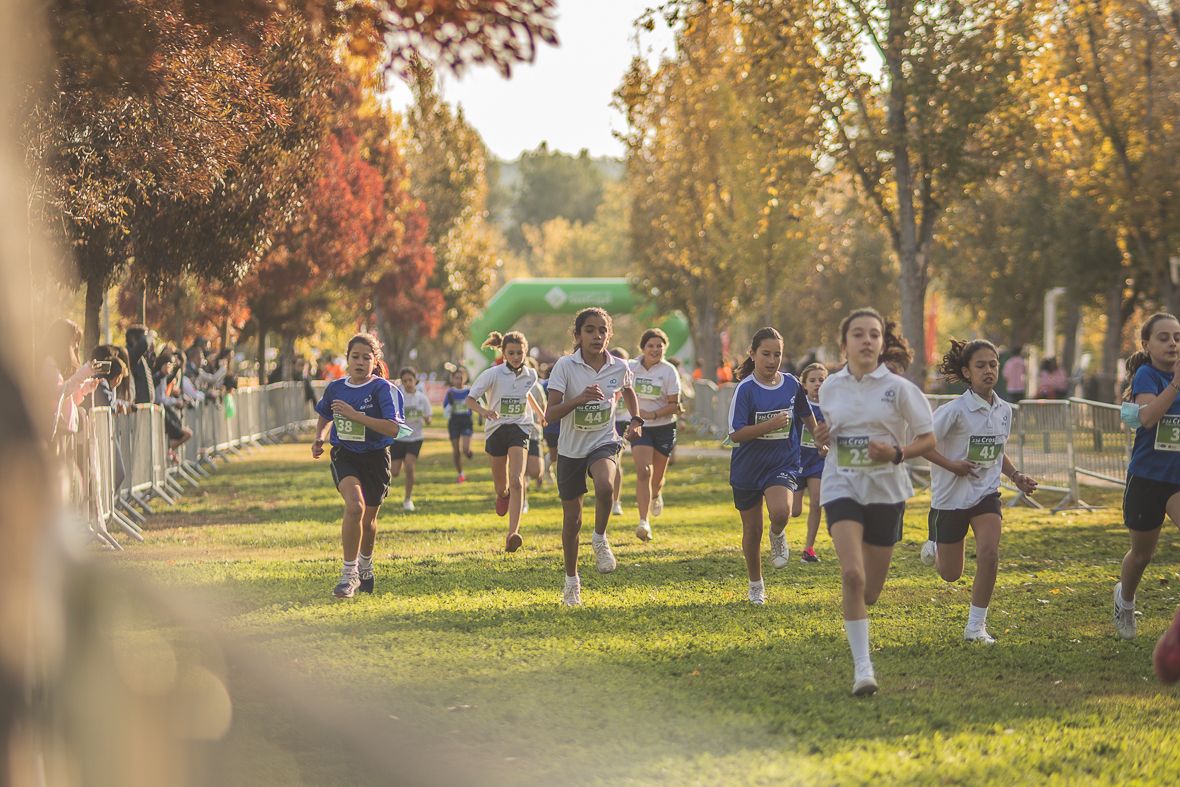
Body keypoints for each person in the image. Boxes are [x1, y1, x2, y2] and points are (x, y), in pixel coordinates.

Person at [818, 308, 934, 696]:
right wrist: (822, 435)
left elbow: (927, 439)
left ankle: (858, 618)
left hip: (885, 490)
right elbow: (830, 435)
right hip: (841, 484)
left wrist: (897, 452)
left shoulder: (899, 389)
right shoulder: (830, 386)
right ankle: (862, 668)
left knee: (868, 591)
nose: (866, 340)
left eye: (873, 334)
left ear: (883, 343)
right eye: (858, 334)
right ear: (844, 343)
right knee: (852, 575)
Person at [918, 339, 1038, 644]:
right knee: (950, 574)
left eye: (993, 364)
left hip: (985, 494)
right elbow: (923, 446)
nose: (989, 370)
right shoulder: (954, 411)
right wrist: (952, 464)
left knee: (989, 553)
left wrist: (1016, 475)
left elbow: (997, 450)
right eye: (981, 365)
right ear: (967, 373)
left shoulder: (1005, 410)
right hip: (950, 498)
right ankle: (934, 538)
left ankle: (975, 627)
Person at [545, 308, 641, 605]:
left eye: (602, 330)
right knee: (572, 520)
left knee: (606, 486)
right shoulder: (564, 366)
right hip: (571, 449)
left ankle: (599, 538)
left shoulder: (619, 365)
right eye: (590, 330)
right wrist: (580, 399)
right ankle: (572, 581)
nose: (597, 336)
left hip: (604, 440)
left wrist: (636, 419)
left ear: (608, 335)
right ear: (577, 336)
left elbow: (627, 391)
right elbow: (550, 414)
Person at [727, 328, 822, 604]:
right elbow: (736, 433)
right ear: (753, 354)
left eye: (777, 354)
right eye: (766, 354)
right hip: (748, 466)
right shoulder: (745, 389)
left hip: (782, 462)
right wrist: (769, 425)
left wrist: (818, 438)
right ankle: (756, 584)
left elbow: (805, 413)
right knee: (752, 531)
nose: (772, 360)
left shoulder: (792, 383)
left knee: (782, 511)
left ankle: (778, 533)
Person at [311, 333, 403, 599]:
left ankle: (365, 564)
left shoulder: (381, 389)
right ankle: (348, 574)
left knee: (369, 519)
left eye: (366, 357)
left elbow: (393, 428)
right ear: (347, 359)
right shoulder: (336, 388)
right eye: (355, 357)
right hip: (345, 453)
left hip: (375, 456)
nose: (360, 362)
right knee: (355, 506)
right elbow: (325, 414)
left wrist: (356, 416)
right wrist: (319, 437)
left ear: (375, 361)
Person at [1112, 313, 1180, 639]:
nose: (1172, 343)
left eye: (1177, 337)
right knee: (1142, 555)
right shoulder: (1147, 376)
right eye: (1164, 337)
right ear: (1147, 345)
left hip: (1177, 480)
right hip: (1147, 477)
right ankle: (1124, 600)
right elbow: (1149, 417)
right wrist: (1177, 383)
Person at [465, 332, 543, 553]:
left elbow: (526, 395)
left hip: (520, 428)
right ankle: (502, 495)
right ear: (504, 353)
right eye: (511, 353)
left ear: (525, 352)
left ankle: (513, 533)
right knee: (503, 485)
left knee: (517, 479)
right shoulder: (493, 374)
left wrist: (540, 413)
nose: (516, 357)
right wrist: (484, 410)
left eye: (520, 353)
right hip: (496, 429)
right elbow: (470, 399)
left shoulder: (531, 375)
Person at [628, 328, 682, 542]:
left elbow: (675, 405)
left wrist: (654, 413)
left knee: (656, 479)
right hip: (640, 427)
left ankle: (656, 494)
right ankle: (644, 521)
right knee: (643, 471)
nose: (655, 349)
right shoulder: (631, 367)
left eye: (659, 345)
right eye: (651, 345)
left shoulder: (669, 371)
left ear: (665, 348)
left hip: (664, 427)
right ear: (642, 348)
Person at [793, 362, 829, 563]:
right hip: (797, 461)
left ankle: (809, 548)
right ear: (804, 385)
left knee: (816, 502)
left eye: (821, 380)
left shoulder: (830, 408)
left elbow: (832, 435)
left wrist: (825, 446)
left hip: (818, 461)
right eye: (812, 380)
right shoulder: (800, 405)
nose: (817, 384)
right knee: (794, 511)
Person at [392, 367, 431, 512]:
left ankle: (408, 499)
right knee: (394, 472)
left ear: (416, 380)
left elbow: (429, 418)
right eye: (405, 381)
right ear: (401, 382)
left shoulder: (422, 398)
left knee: (409, 466)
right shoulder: (398, 397)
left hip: (415, 438)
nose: (408, 383)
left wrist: (427, 418)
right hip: (399, 438)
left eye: (410, 380)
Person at [609, 347, 631, 517]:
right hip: (606, 422)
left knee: (616, 461)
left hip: (622, 422)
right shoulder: (604, 376)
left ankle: (616, 501)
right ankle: (607, 497)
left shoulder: (629, 378)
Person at [443, 368, 474, 483]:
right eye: (456, 378)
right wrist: (450, 405)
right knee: (456, 451)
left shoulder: (469, 391)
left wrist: (481, 416)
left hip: (466, 421)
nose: (459, 380)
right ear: (452, 379)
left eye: (461, 377)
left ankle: (469, 452)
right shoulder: (450, 392)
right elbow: (445, 411)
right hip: (454, 422)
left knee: (465, 449)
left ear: (465, 378)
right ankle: (460, 474)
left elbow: (478, 403)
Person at [539, 362, 560, 486]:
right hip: (550, 426)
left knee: (564, 453)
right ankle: (546, 469)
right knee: (554, 455)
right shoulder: (544, 385)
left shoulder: (567, 384)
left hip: (564, 425)